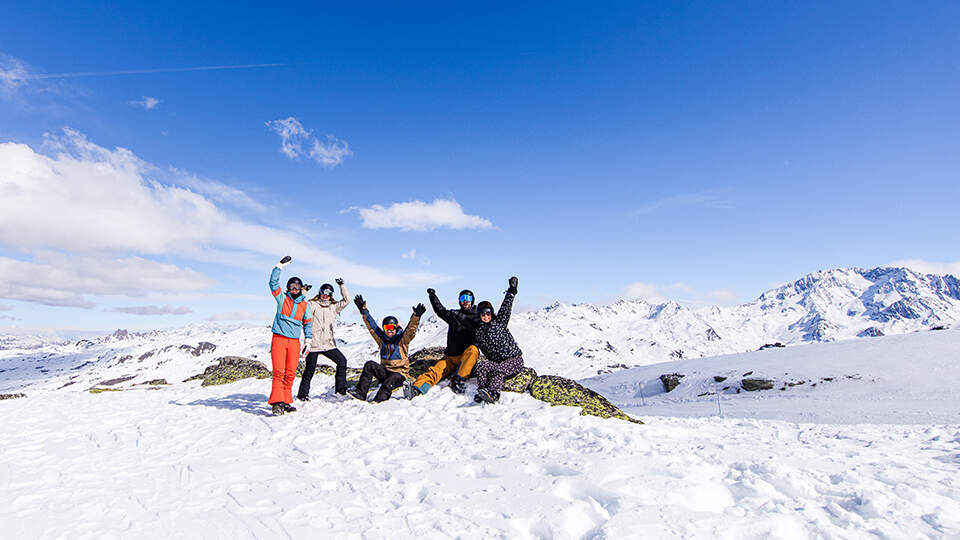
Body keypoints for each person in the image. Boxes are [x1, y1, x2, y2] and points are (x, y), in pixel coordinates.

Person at [348, 294, 425, 402]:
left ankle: (379, 401)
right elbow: (372, 327)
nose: (389, 330)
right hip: (385, 371)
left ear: (396, 327)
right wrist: (363, 311)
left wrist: (416, 317)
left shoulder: (402, 339)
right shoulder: (382, 339)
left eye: (392, 327)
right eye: (386, 328)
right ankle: (360, 393)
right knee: (370, 365)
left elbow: (410, 330)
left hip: (399, 374)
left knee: (390, 381)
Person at [405, 288, 480, 398]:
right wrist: (432, 296)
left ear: (472, 300)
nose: (465, 301)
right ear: (459, 301)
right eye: (462, 298)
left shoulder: (478, 317)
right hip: (451, 357)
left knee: (473, 349)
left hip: (467, 358)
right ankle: (417, 389)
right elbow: (440, 310)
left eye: (468, 298)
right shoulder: (454, 315)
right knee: (435, 371)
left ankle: (459, 380)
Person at [268, 256, 313, 416]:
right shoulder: (282, 299)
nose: (294, 289)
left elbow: (308, 323)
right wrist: (279, 266)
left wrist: (308, 340)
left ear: (301, 288)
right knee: (278, 372)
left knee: (290, 373)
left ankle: (286, 400)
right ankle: (277, 403)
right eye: (291, 287)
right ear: (288, 288)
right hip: (279, 339)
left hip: (294, 342)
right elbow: (273, 284)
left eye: (297, 287)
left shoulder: (304, 305)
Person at [471, 276, 523, 404]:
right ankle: (483, 391)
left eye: (488, 313)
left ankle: (494, 393)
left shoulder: (499, 322)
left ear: (491, 313)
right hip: (497, 362)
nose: (486, 316)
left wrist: (512, 290)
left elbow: (506, 307)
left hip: (514, 359)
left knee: (499, 370)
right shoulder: (478, 332)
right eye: (483, 314)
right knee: (482, 367)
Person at [297, 279, 352, 400]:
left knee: (342, 362)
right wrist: (303, 291)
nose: (325, 295)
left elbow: (347, 300)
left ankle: (340, 390)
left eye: (328, 293)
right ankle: (302, 395)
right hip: (314, 344)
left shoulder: (334, 307)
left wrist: (342, 285)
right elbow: (300, 304)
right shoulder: (312, 305)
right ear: (320, 292)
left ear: (331, 295)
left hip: (328, 344)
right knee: (309, 370)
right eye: (323, 292)